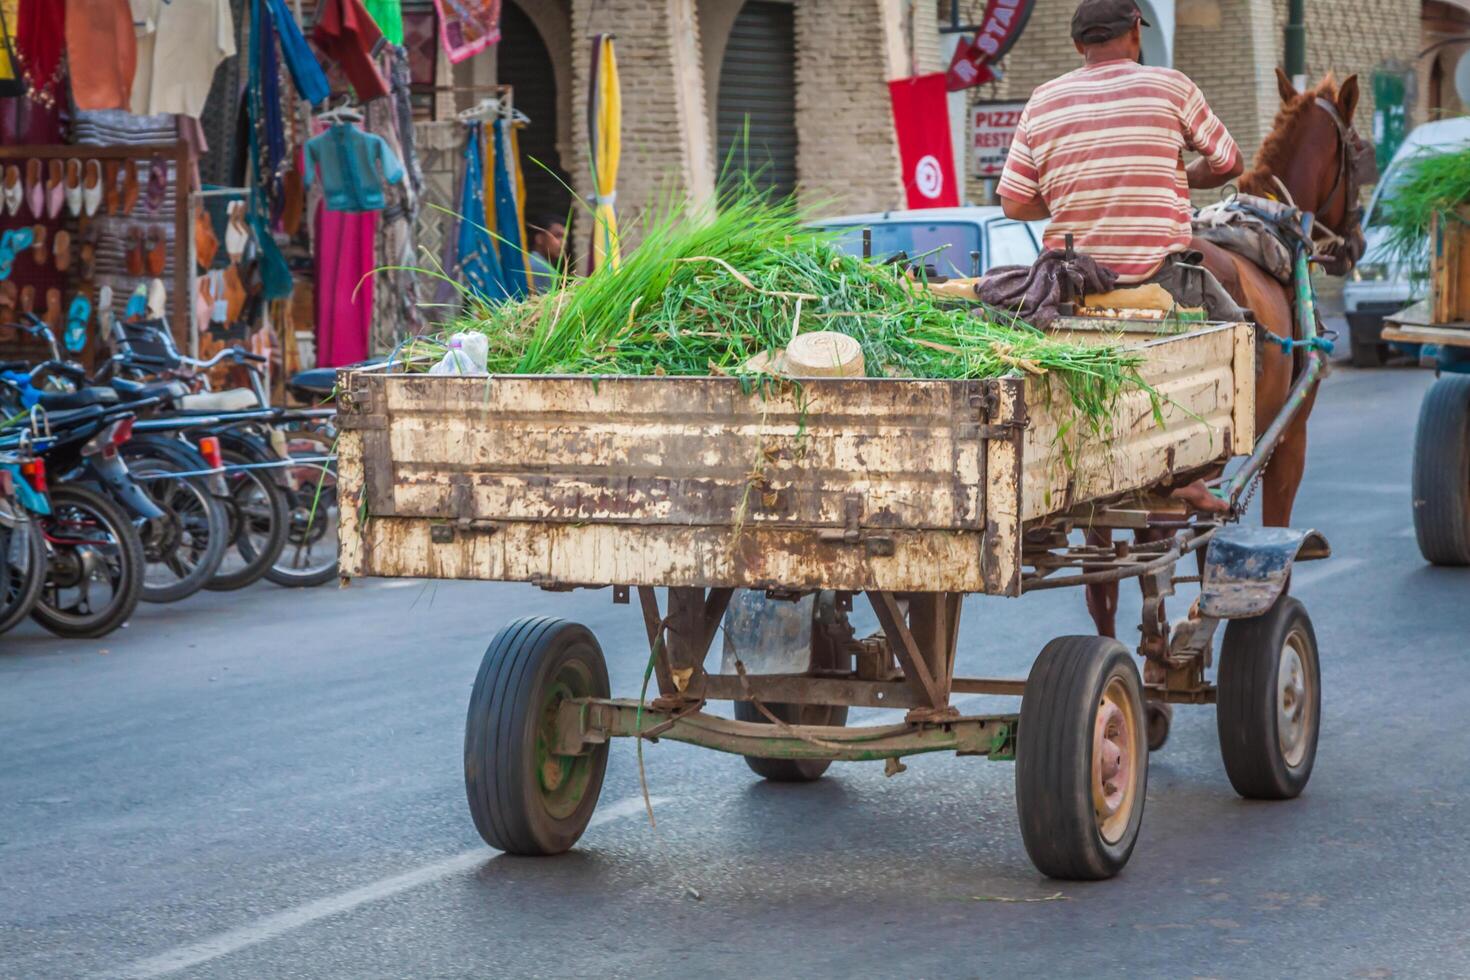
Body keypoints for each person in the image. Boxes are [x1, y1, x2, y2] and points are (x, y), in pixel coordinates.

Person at [997, 0, 1246, 320]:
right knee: (1241, 330)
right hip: (1158, 280)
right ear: (1135, 33)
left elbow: (1014, 206)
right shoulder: (1173, 87)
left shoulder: (1041, 100)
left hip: (1069, 284)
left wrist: (1074, 196)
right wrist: (1183, 177)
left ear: (1078, 45)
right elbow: (1230, 164)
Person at [527, 214, 566, 292]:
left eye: (565, 237)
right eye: (557, 236)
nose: (563, 242)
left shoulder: (527, 261)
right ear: (539, 238)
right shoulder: (543, 269)